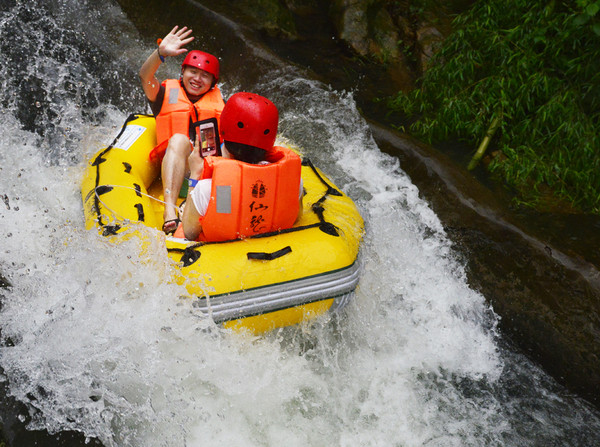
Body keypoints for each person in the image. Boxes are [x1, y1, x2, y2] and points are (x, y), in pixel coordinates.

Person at [179, 92, 303, 242]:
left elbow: (189, 232)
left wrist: (195, 176)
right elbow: (296, 217)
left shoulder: (206, 189)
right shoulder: (293, 180)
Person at [139, 25, 225, 234]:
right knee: (178, 139)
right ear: (182, 72)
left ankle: (197, 207)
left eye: (204, 76)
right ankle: (170, 213)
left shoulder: (223, 106)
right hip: (176, 167)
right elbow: (145, 77)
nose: (197, 79)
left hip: (206, 173)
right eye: (192, 72)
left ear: (213, 83)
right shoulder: (163, 95)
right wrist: (160, 54)